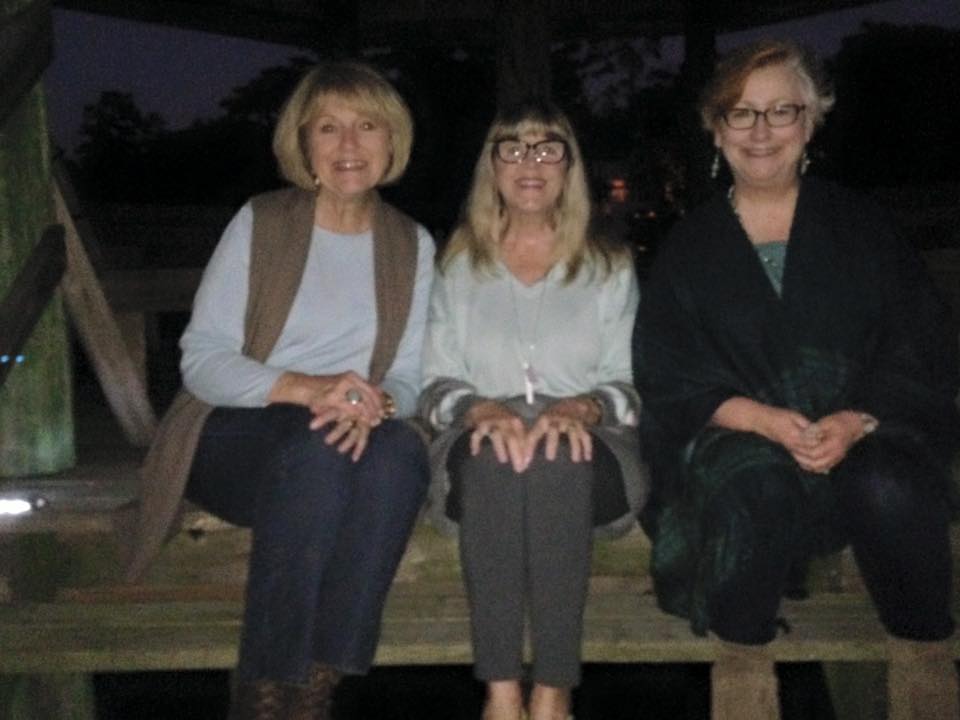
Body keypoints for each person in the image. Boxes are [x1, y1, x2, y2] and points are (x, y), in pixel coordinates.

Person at [633, 39, 960, 720]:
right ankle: (745, 668)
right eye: (741, 114)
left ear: (811, 123)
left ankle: (925, 661)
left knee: (890, 485)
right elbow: (667, 373)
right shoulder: (689, 250)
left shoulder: (863, 228)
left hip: (863, 434)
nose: (760, 132)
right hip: (741, 442)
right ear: (715, 129)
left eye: (781, 111)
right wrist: (762, 420)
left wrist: (855, 419)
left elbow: (917, 344)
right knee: (753, 492)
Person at [126, 62, 435, 720]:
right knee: (318, 448)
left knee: (402, 455)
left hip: (346, 434)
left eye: (367, 126)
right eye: (329, 127)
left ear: (391, 142)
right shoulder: (262, 221)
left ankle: (318, 682)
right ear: (303, 143)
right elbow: (202, 361)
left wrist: (374, 404)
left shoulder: (412, 243)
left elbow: (411, 376)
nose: (349, 145)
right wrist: (308, 388)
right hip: (237, 430)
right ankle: (265, 689)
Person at [419, 100, 646, 720]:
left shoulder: (608, 265)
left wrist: (585, 406)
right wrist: (477, 408)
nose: (529, 162)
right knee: (496, 456)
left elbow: (631, 386)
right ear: (490, 166)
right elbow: (433, 383)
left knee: (555, 454)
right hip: (478, 434)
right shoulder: (459, 263)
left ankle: (554, 688)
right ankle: (499, 690)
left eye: (547, 147)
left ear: (569, 165)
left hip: (590, 443)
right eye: (511, 147)